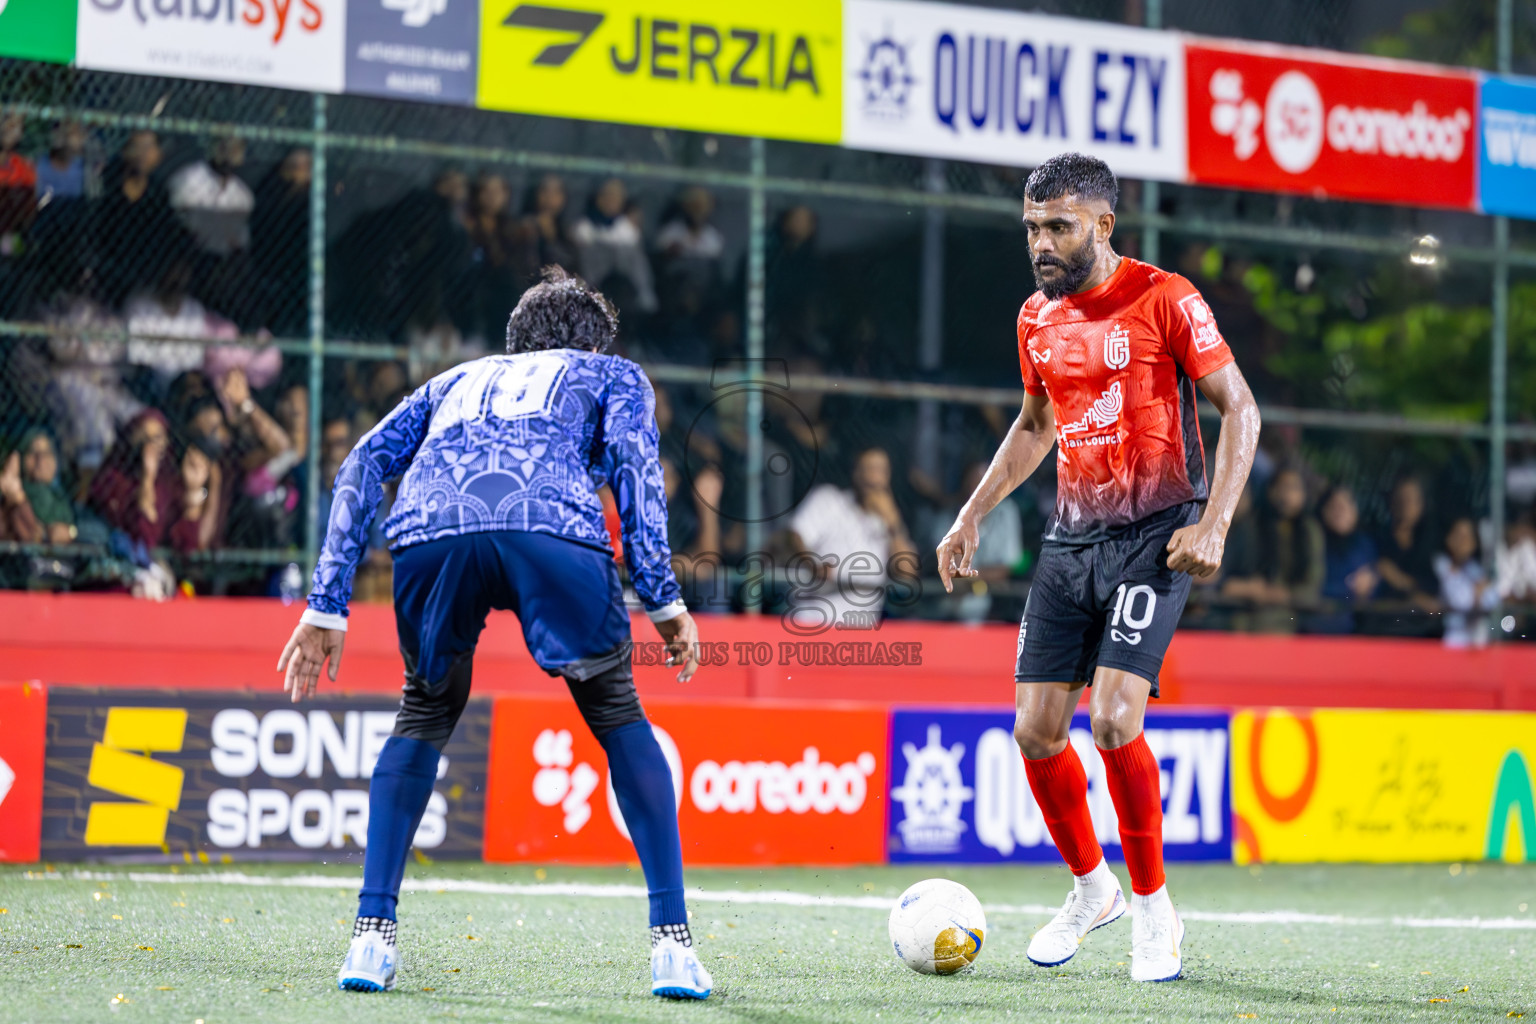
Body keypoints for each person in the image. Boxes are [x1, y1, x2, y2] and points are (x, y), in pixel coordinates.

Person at [275, 267, 713, 1001]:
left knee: (424, 711)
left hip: (429, 528)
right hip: (552, 527)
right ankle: (671, 946)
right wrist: (664, 598)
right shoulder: (613, 373)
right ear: (597, 342)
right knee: (615, 712)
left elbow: (361, 464)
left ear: (516, 341)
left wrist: (327, 603)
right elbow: (639, 473)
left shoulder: (453, 381)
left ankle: (370, 939)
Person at [935, 153, 1260, 983]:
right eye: (1033, 229)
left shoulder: (1165, 296)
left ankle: (1155, 909)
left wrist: (1216, 523)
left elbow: (1240, 408)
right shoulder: (1034, 319)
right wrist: (972, 513)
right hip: (1071, 540)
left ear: (1104, 224)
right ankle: (1093, 890)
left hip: (1158, 533)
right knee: (1036, 731)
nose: (1041, 244)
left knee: (1115, 719)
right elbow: (1036, 425)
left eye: (1059, 227)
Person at [785, 447, 917, 633]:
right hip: (814, 622)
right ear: (855, 473)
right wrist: (812, 564)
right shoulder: (829, 499)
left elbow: (907, 573)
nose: (874, 477)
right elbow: (793, 536)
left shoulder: (888, 520)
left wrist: (893, 524)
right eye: (869, 469)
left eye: (880, 470)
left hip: (861, 630)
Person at [1435, 516, 1498, 648]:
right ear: (1449, 538)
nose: (1463, 541)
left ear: (1475, 543)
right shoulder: (1440, 565)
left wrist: (1479, 595)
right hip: (1447, 640)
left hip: (1476, 642)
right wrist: (1476, 594)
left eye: (1468, 536)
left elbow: (1492, 599)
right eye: (1459, 535)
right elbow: (1458, 601)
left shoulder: (1475, 569)